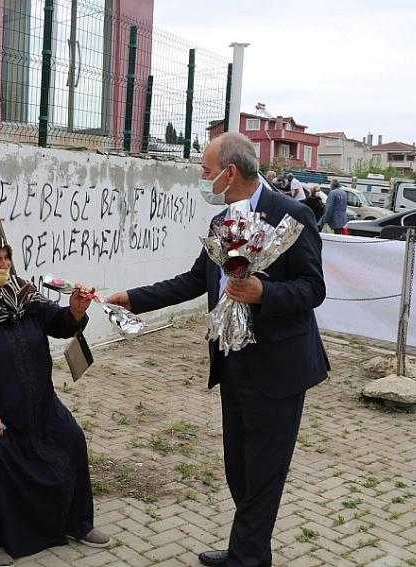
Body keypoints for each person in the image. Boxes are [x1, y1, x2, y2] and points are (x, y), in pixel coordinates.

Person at [106, 133, 329, 567]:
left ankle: (245, 558)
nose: (202, 176)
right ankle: (248, 551)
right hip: (232, 363)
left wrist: (264, 291)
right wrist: (132, 297)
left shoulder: (292, 216)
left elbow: (313, 288)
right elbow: (193, 281)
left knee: (264, 473)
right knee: (239, 469)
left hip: (279, 369)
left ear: (230, 172)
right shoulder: (220, 223)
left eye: (206, 170)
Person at [0, 232, 110, 567]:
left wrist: (74, 312)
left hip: (38, 406)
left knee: (71, 438)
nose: (3, 265)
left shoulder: (23, 295)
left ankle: (77, 523)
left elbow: (57, 323)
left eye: (6, 257)